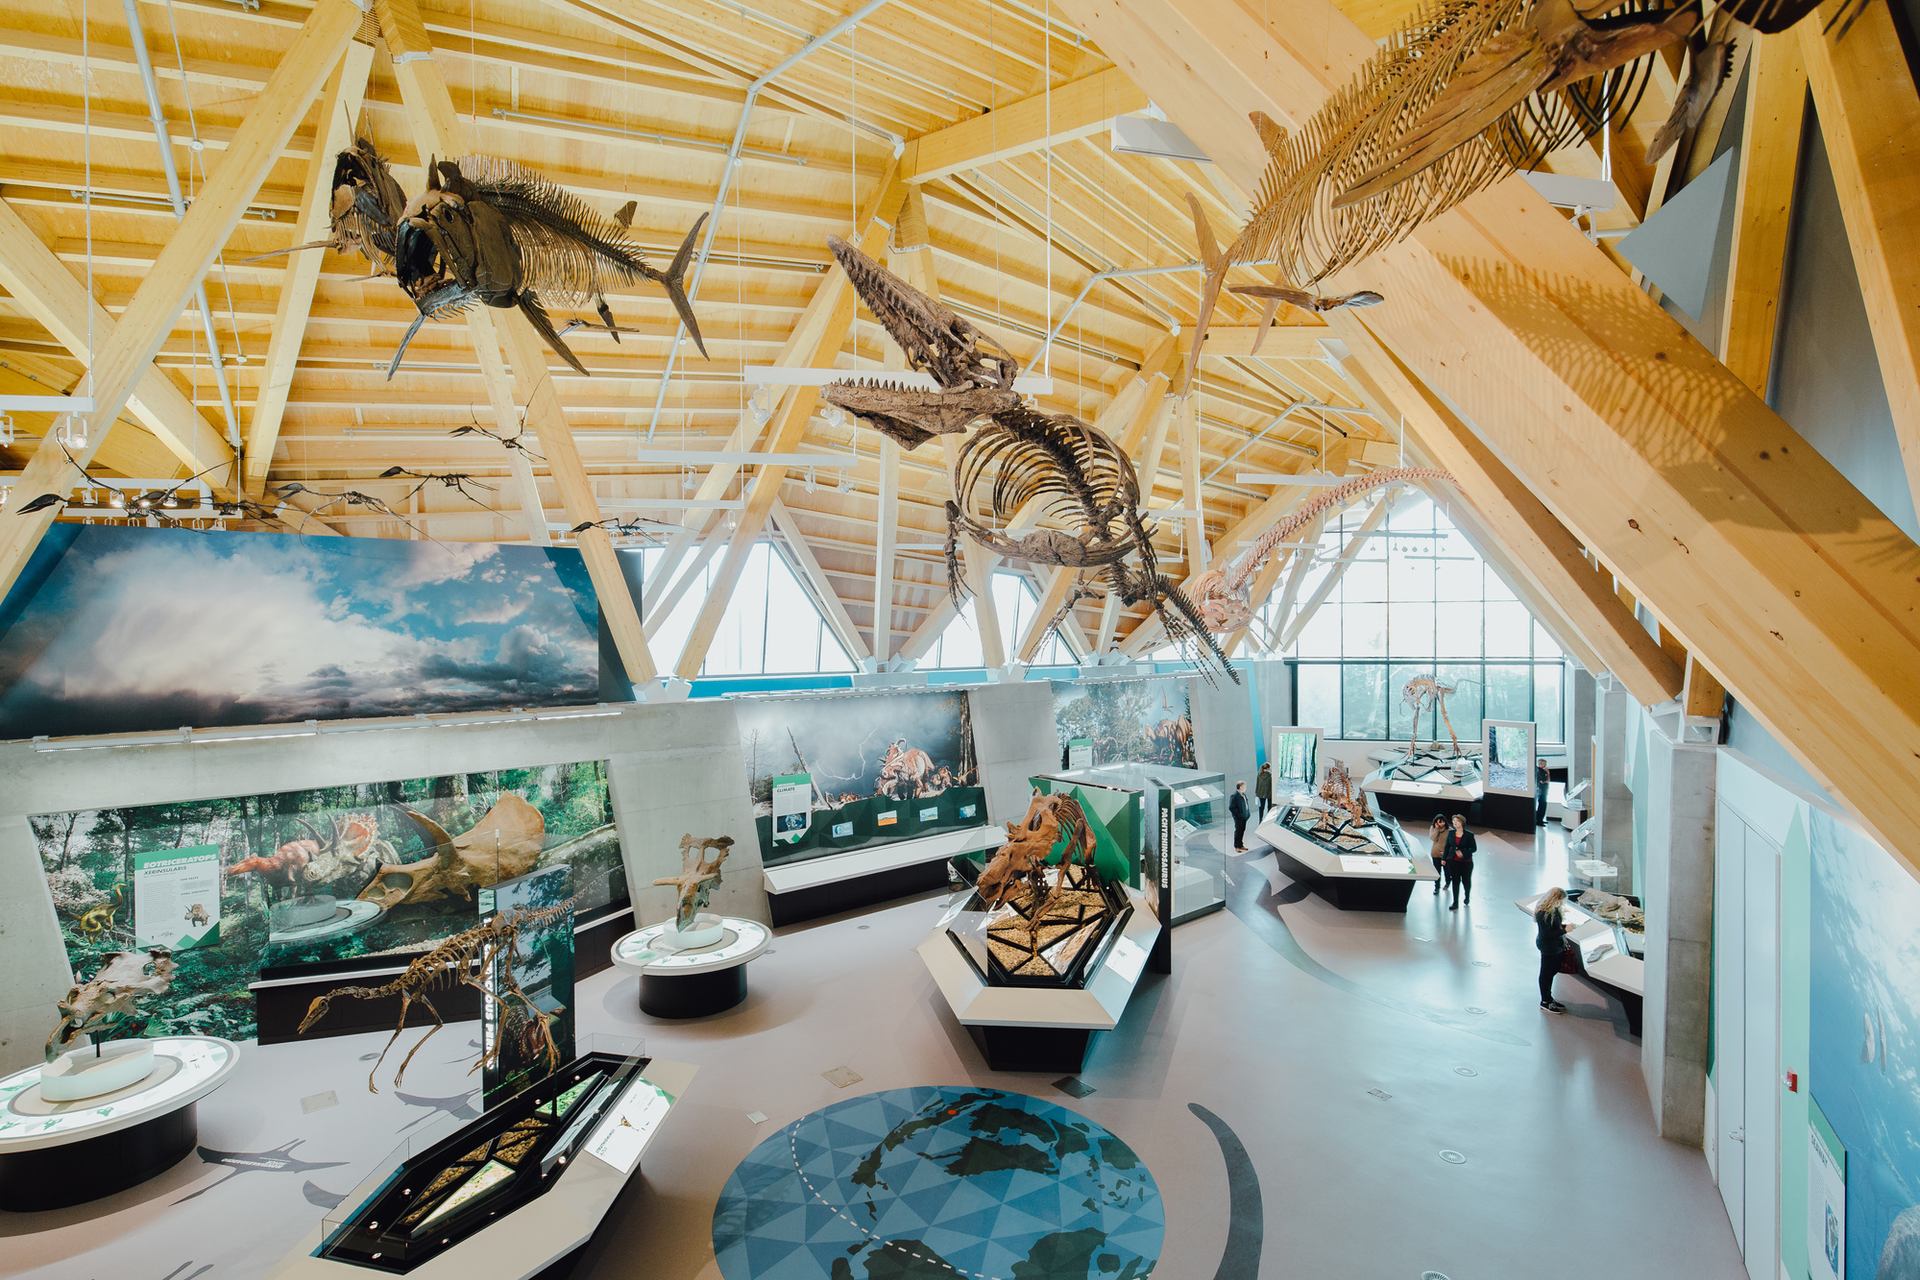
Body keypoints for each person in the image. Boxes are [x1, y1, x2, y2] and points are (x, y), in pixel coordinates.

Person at [1534, 886, 1573, 1012]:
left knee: (1552, 970)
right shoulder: (1543, 913)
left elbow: (1552, 928)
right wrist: (1564, 930)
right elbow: (1547, 934)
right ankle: (1545, 1001)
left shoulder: (1553, 910)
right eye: (1561, 901)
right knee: (1546, 974)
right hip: (1548, 947)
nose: (1562, 903)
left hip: (1555, 946)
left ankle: (1549, 998)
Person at [1445, 812, 1476, 910]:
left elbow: (1474, 848)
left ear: (1462, 823)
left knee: (1466, 882)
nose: (1454, 823)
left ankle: (1467, 896)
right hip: (1453, 862)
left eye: (1457, 821)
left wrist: (1463, 852)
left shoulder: (1469, 835)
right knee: (1455, 882)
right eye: (1453, 821)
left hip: (1466, 863)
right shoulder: (1450, 833)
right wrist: (1444, 859)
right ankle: (1455, 903)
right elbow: (1447, 846)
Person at [1428, 814, 1449, 896]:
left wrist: (1446, 853)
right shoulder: (1433, 828)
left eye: (1442, 821)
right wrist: (1437, 829)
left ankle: (1448, 882)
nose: (1441, 823)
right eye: (1439, 821)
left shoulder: (1449, 830)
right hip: (1435, 853)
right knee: (1437, 872)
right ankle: (1437, 887)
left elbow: (1451, 844)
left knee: (1447, 871)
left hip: (1445, 855)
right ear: (1436, 822)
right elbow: (1433, 838)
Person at [1229, 781, 1251, 851]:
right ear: (1240, 787)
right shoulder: (1234, 796)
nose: (1245, 788)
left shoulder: (1243, 794)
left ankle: (1241, 845)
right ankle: (1237, 847)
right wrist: (1239, 815)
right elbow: (1231, 808)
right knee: (1238, 831)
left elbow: (1246, 804)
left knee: (1242, 831)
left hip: (1244, 817)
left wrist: (1248, 814)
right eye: (1244, 787)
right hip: (1239, 818)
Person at [1535, 758, 1551, 826]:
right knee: (1542, 805)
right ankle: (1539, 821)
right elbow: (1543, 780)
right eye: (1542, 763)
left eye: (1544, 764)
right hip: (1541, 790)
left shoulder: (1544, 770)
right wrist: (1547, 773)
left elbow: (1548, 780)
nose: (1544, 765)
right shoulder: (1540, 771)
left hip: (1544, 790)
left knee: (1543, 805)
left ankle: (1540, 820)